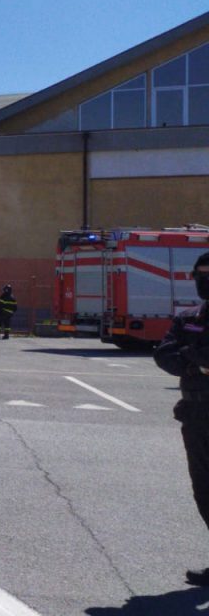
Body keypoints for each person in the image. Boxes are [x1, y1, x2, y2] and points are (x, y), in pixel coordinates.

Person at [155, 251, 209, 587]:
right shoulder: (189, 316)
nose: (205, 279)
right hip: (194, 413)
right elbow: (163, 354)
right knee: (203, 489)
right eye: (200, 273)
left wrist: (188, 354)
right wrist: (194, 358)